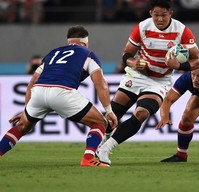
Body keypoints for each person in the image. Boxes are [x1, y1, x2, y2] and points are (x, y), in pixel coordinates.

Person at [96, 0, 199, 165]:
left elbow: (197, 59)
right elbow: (126, 54)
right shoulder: (142, 27)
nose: (160, 19)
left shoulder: (181, 31)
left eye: (164, 15)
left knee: (142, 113)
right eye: (156, 15)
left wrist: (180, 66)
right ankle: (97, 145)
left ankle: (106, 149)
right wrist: (133, 62)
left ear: (171, 13)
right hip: (137, 75)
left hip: (159, 81)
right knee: (113, 114)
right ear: (151, 13)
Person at [0, 25, 118, 167]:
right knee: (100, 122)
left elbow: (32, 82)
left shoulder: (53, 53)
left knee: (22, 127)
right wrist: (109, 110)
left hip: (39, 91)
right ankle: (88, 159)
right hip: (62, 92)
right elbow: (101, 84)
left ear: (69, 42)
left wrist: (26, 110)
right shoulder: (87, 54)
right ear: (86, 43)